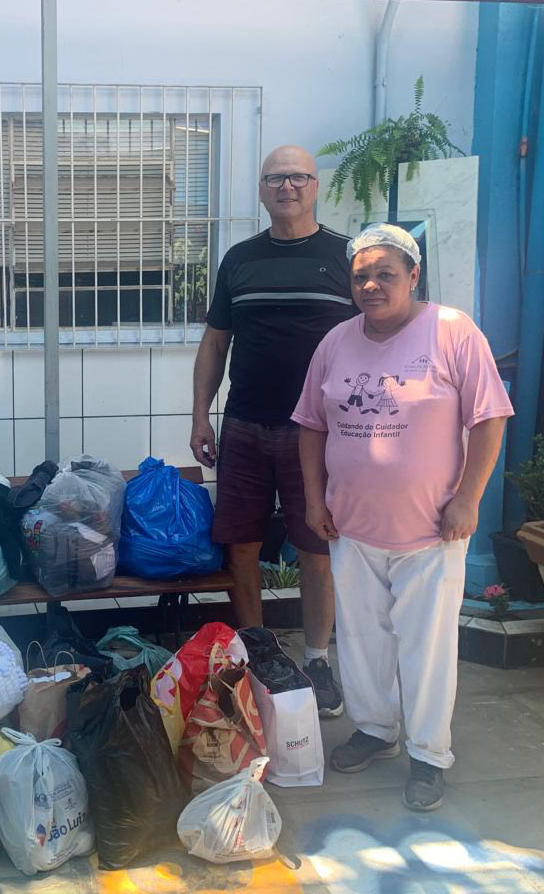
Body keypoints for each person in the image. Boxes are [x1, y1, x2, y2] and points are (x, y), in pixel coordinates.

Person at [291, 223, 512, 811]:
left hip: (430, 530)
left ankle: (428, 754)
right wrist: (315, 501)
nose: (371, 284)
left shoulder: (450, 330)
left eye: (385, 273)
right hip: (352, 526)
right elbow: (310, 425)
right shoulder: (336, 342)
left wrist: (468, 497)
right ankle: (375, 730)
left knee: (427, 647)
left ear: (414, 275)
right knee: (361, 640)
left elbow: (490, 417)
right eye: (361, 274)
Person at [190, 144, 355, 717]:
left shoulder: (347, 257)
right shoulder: (239, 259)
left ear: (316, 186)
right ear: (261, 191)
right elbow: (216, 342)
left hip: (319, 433)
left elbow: (377, 339)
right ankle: (257, 652)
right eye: (275, 178)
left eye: (298, 177)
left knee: (316, 546)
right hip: (244, 426)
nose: (287, 187)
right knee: (242, 544)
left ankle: (316, 659)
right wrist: (199, 415)